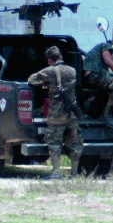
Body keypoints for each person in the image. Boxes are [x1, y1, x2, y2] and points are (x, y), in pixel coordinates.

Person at [27, 46, 83, 179]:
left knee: (54, 143)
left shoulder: (50, 71)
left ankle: (57, 173)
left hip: (57, 114)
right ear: (60, 57)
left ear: (50, 60)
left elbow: (31, 80)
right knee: (75, 143)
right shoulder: (72, 70)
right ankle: (74, 174)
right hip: (72, 113)